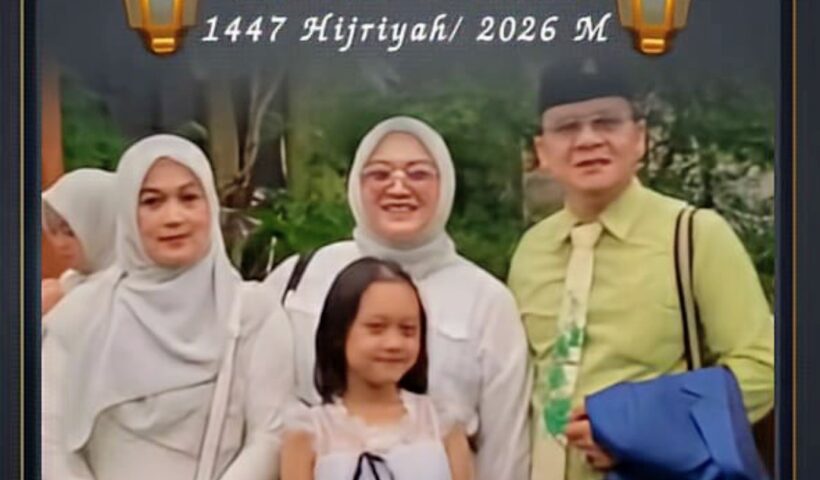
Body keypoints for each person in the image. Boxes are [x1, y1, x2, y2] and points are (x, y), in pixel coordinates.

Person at [507, 58, 775, 480]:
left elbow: (765, 366)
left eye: (606, 122)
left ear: (639, 138)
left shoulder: (695, 235)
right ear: (542, 150)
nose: (588, 139)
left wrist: (640, 431)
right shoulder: (531, 251)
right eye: (567, 127)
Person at [265, 116, 531, 480]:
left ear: (446, 183)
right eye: (379, 174)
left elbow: (506, 448)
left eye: (419, 174)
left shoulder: (487, 300)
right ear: (356, 184)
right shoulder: (302, 277)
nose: (398, 187)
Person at [41, 134, 294, 480]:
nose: (173, 217)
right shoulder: (80, 316)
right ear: (127, 214)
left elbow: (270, 435)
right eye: (152, 201)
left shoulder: (252, 313)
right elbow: (47, 439)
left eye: (189, 198)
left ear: (210, 206)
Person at [280, 257, 473, 480]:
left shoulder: (441, 424)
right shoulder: (310, 433)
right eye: (376, 328)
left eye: (408, 330)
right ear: (338, 333)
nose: (394, 343)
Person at [41, 168, 117, 316]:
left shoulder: (126, 292)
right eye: (53, 232)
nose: (60, 244)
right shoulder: (70, 280)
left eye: (71, 232)